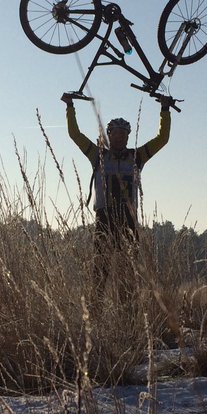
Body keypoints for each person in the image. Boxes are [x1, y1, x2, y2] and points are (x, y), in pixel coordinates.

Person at [62, 92, 173, 289]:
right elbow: (75, 135)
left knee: (129, 275)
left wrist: (165, 110)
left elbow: (162, 139)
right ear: (109, 135)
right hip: (104, 218)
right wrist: (70, 106)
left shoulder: (137, 157)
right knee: (99, 273)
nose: (119, 137)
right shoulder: (99, 156)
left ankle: (128, 316)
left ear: (128, 136)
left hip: (128, 220)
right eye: (115, 133)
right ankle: (94, 315)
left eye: (123, 134)